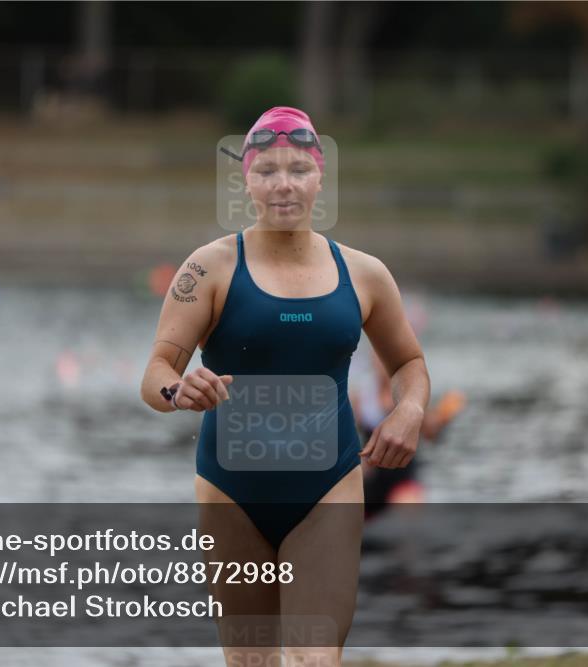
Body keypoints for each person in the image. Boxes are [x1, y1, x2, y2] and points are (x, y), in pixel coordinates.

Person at [140, 106, 429, 667]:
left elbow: (409, 362)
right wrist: (180, 391)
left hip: (328, 487)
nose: (283, 185)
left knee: (314, 659)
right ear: (246, 180)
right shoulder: (208, 269)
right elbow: (156, 373)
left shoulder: (364, 273)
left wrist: (409, 409)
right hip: (230, 492)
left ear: (320, 178)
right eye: (267, 170)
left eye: (298, 169)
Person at [352, 348, 466, 517]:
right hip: (371, 477)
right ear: (373, 362)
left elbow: (430, 433)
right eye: (379, 359)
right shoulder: (361, 399)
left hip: (403, 479)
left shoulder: (409, 399)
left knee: (407, 513)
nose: (383, 365)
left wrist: (444, 417)